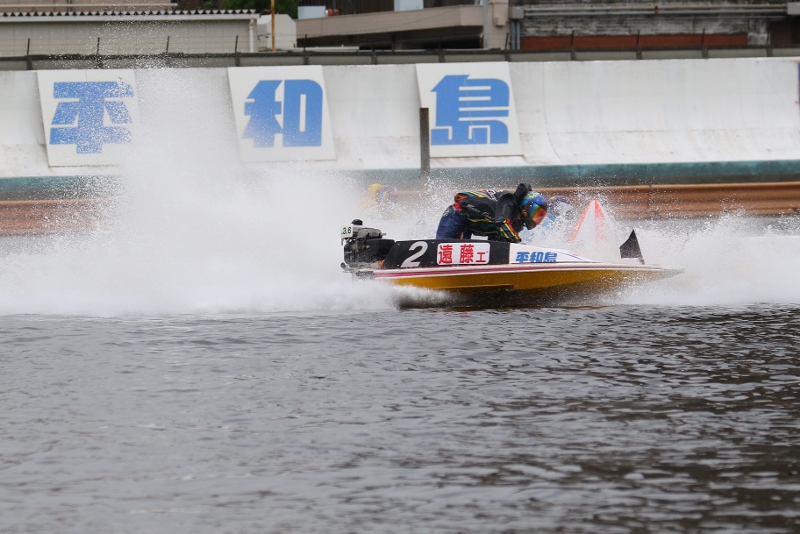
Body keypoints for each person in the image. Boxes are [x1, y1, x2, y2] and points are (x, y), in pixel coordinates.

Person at [435, 183, 548, 243]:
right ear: (526, 206)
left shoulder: (515, 224)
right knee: (445, 248)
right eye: (536, 212)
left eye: (540, 216)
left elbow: (500, 246)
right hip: (457, 213)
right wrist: (518, 243)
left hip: (468, 226)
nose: (537, 218)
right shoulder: (509, 202)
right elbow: (501, 222)